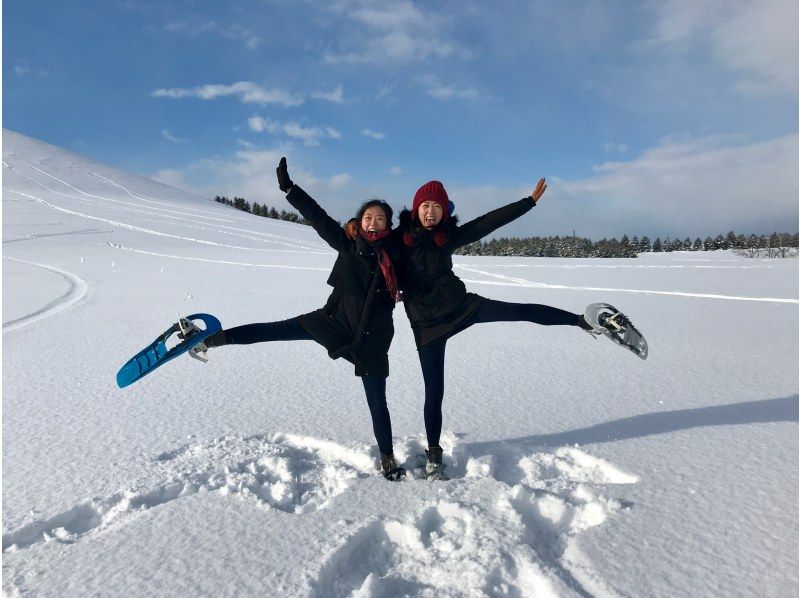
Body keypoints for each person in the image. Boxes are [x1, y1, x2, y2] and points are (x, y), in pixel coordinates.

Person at [392, 179, 641, 480]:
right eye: (425, 206)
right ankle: (434, 453)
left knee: (518, 311)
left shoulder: (449, 236)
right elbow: (368, 248)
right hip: (426, 325)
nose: (430, 212)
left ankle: (582, 321)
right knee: (434, 392)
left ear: (444, 211)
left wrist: (528, 203)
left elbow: (489, 222)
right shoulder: (398, 239)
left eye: (436, 207)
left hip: (460, 307)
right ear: (416, 208)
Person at [203, 158, 406, 481]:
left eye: (380, 219)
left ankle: (387, 458)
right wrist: (290, 189)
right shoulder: (348, 245)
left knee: (377, 400)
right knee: (276, 330)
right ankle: (219, 338)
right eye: (368, 217)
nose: (373, 222)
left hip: (373, 337)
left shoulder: (397, 256)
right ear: (359, 221)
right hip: (333, 321)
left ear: (388, 226)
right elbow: (319, 218)